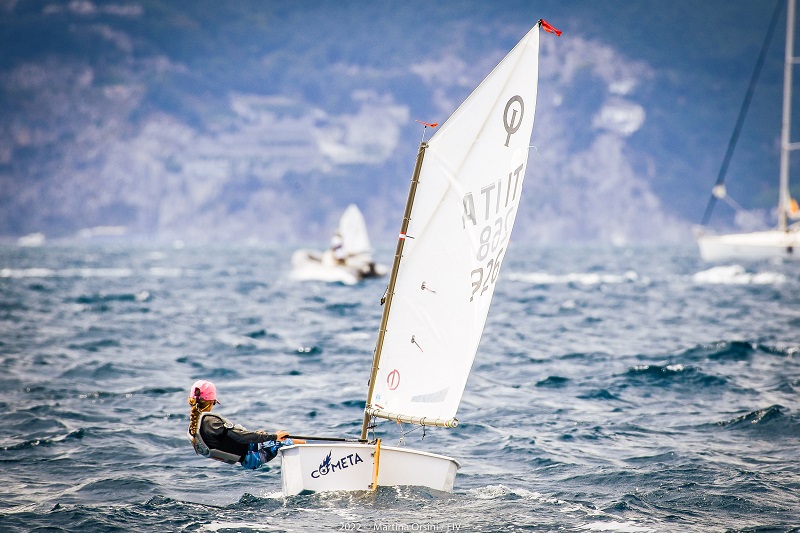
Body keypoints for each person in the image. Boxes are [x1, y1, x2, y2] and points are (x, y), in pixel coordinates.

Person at [186, 380, 305, 470]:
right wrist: (274, 437)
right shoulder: (210, 422)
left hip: (247, 455)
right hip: (253, 456)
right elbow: (241, 437)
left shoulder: (196, 424)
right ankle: (314, 464)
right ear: (212, 401)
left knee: (271, 438)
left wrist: (257, 436)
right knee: (289, 441)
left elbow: (232, 438)